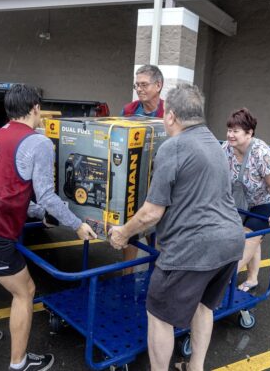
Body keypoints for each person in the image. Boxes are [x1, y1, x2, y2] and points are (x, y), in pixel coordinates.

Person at [0, 84, 97, 371]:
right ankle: (20, 363)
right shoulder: (38, 142)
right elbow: (47, 195)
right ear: (36, 108)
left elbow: (7, 189)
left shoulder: (0, 135)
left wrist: (42, 213)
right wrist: (76, 225)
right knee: (25, 290)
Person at [108, 84, 244, 371]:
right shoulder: (214, 143)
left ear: (170, 116)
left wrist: (123, 233)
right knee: (203, 307)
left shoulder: (174, 147)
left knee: (159, 315)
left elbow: (151, 213)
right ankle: (195, 368)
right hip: (230, 242)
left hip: (193, 248)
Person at [222, 108, 270, 292]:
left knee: (248, 235)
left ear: (249, 132)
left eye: (235, 131)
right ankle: (252, 279)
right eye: (229, 130)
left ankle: (223, 278)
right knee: (255, 236)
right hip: (248, 201)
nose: (230, 135)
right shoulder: (227, 149)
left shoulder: (261, 152)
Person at [120, 64, 165, 274]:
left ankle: (154, 272)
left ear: (158, 85)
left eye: (144, 84)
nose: (139, 89)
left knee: (155, 228)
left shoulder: (169, 112)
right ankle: (125, 273)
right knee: (131, 225)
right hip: (133, 177)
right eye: (137, 85)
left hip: (160, 179)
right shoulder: (129, 110)